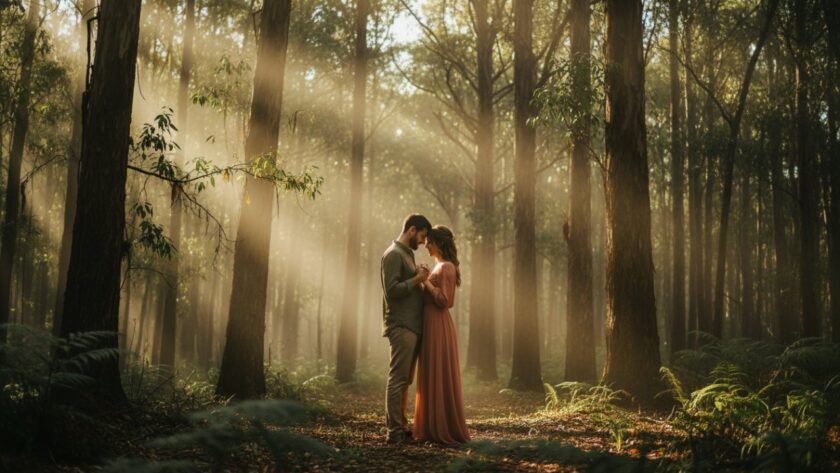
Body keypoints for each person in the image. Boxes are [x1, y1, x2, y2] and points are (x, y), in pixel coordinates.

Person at [412, 225, 470, 445]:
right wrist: (425, 277)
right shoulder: (441, 266)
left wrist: (423, 280)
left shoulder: (446, 267)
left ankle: (439, 429)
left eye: (428, 241)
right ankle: (430, 427)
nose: (425, 244)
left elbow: (445, 301)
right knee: (430, 371)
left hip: (437, 323)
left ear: (437, 243)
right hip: (432, 322)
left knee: (436, 371)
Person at [381, 214, 433, 444]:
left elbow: (410, 285)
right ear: (412, 230)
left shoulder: (407, 255)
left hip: (412, 325)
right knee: (398, 379)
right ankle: (394, 432)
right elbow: (392, 291)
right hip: (401, 325)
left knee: (405, 381)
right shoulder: (393, 254)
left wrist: (419, 275)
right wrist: (417, 279)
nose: (423, 242)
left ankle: (401, 427)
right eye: (422, 236)